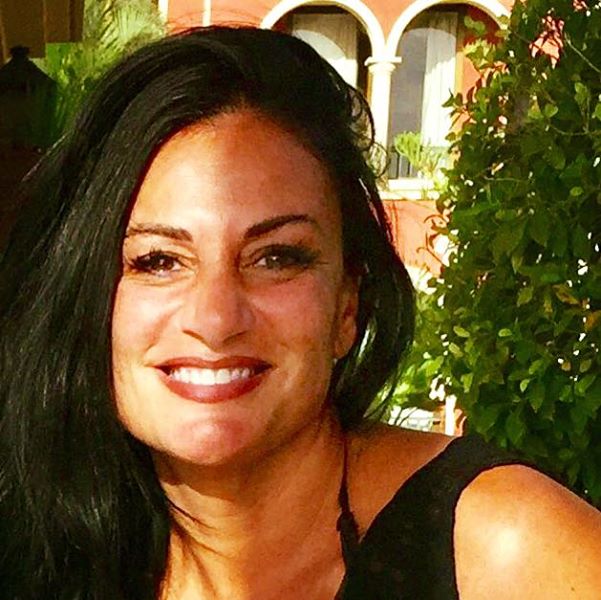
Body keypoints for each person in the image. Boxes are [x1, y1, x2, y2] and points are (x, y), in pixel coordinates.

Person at [0, 25, 599, 600]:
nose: (214, 319)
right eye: (158, 261)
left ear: (347, 305)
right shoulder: (41, 549)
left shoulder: (503, 549)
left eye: (276, 257)